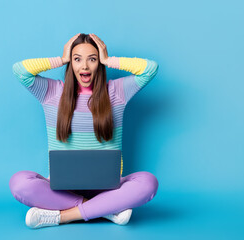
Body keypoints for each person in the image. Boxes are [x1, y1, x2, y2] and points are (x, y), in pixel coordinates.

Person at [10, 33, 160, 229]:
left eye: (93, 59)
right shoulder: (51, 93)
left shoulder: (116, 92)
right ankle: (104, 210)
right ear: (70, 63)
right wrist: (61, 58)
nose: (85, 66)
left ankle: (64, 216)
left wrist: (109, 59)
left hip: (108, 189)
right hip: (62, 190)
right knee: (20, 183)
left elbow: (150, 69)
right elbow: (19, 70)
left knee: (148, 183)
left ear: (99, 63)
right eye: (77, 59)